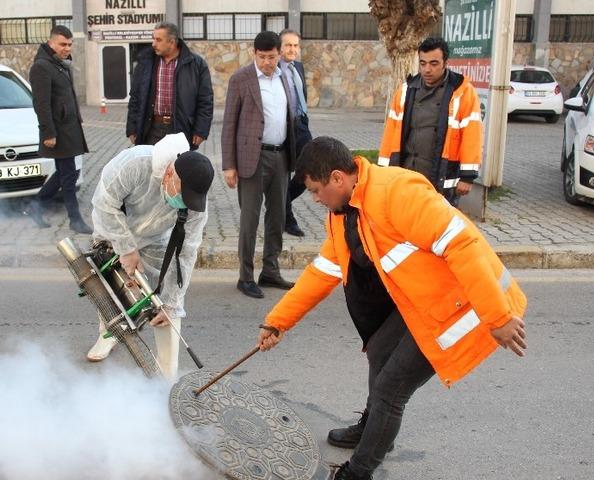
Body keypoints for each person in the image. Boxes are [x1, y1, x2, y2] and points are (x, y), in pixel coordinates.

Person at [256, 136, 528, 480]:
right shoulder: (343, 215)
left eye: (315, 190)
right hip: (421, 303)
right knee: (379, 350)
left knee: (391, 389)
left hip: (463, 306)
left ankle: (359, 471)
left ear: (338, 178)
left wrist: (498, 317)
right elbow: (321, 273)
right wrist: (277, 322)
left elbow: (463, 245)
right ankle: (376, 429)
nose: (314, 199)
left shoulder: (398, 193)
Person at [86, 133, 214, 380]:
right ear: (169, 175)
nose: (185, 203)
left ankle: (167, 373)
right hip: (113, 228)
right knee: (112, 285)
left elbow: (186, 252)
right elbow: (104, 204)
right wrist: (126, 248)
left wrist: (172, 303)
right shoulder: (134, 164)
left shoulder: (196, 206)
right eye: (182, 195)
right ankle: (108, 333)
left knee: (167, 303)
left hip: (156, 236)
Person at [221, 30, 297, 300]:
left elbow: (291, 117)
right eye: (262, 57)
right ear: (254, 54)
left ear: (279, 54)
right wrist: (229, 165)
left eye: (272, 57)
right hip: (251, 158)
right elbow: (229, 123)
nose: (267, 62)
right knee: (249, 220)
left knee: (277, 216)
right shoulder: (241, 79)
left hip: (281, 156)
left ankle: (271, 270)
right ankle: (245, 276)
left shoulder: (285, 76)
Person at [378, 37, 483, 204]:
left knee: (438, 227)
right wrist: (383, 171)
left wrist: (468, 176)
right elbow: (391, 132)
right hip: (406, 173)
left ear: (445, 62)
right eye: (423, 63)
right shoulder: (406, 90)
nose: (427, 69)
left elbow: (472, 134)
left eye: (434, 63)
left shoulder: (462, 91)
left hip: (440, 175)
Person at [24, 25, 91, 234]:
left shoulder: (59, 64)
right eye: (63, 44)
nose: (67, 48)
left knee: (66, 173)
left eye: (70, 44)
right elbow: (41, 104)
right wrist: (48, 133)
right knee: (69, 176)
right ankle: (75, 219)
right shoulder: (41, 67)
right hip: (58, 132)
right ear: (51, 42)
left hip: (69, 129)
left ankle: (35, 206)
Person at [126, 22, 213, 149]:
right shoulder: (146, 63)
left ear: (172, 42)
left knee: (178, 168)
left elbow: (205, 101)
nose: (153, 44)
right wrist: (132, 127)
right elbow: (135, 96)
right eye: (153, 39)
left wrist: (201, 131)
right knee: (152, 167)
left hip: (180, 129)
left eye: (158, 40)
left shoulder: (196, 64)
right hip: (151, 129)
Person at [278, 29, 313, 238]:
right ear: (280, 47)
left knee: (308, 168)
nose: (292, 49)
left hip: (301, 125)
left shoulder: (298, 67)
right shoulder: (275, 70)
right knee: (283, 174)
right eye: (288, 45)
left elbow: (302, 97)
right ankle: (286, 219)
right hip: (283, 127)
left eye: (295, 45)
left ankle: (280, 203)